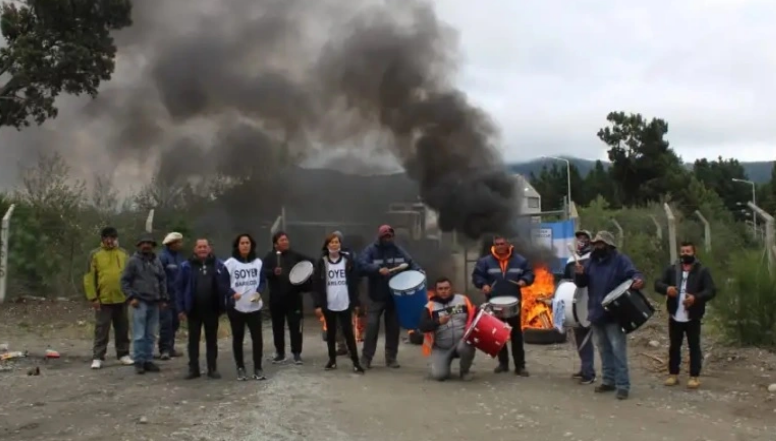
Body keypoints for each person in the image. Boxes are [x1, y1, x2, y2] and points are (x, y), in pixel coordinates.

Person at [573, 231, 644, 400]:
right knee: (604, 349)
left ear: (609, 245)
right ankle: (608, 381)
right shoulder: (591, 262)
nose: (598, 246)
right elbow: (582, 284)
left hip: (615, 313)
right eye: (596, 244)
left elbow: (634, 273)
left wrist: (638, 280)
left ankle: (623, 385)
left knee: (618, 350)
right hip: (596, 312)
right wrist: (580, 274)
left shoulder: (620, 260)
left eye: (601, 244)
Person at [654, 241, 716, 389]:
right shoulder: (672, 269)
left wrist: (695, 298)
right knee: (674, 346)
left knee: (694, 346)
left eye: (688, 251)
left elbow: (710, 290)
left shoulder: (702, 271)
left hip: (693, 315)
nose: (685, 254)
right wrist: (667, 289)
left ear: (694, 252)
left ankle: (694, 376)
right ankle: (673, 374)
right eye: (682, 251)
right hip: (675, 315)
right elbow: (657, 283)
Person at [358, 224, 421, 369]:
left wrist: (419, 270)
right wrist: (377, 269)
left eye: (390, 236)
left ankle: (391, 358)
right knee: (372, 327)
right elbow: (361, 265)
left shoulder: (398, 250)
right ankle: (366, 359)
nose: (388, 239)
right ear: (380, 237)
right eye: (385, 236)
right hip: (376, 296)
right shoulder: (371, 250)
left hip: (394, 297)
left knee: (393, 329)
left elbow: (410, 263)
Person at [472, 235, 534, 376]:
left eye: (502, 243)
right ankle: (503, 363)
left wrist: (525, 280)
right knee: (498, 334)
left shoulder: (520, 261)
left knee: (516, 335)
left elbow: (529, 273)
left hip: (514, 302)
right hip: (494, 303)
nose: (500, 246)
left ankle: (520, 366)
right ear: (494, 245)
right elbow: (477, 276)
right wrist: (483, 284)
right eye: (497, 244)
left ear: (507, 244)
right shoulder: (485, 262)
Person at [176, 238, 230, 379]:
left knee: (212, 340)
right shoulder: (186, 266)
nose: (202, 249)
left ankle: (212, 368)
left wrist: (225, 304)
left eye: (205, 247)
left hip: (212, 309)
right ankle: (193, 369)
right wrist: (180, 309)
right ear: (195, 249)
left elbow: (226, 285)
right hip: (193, 310)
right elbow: (179, 288)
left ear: (209, 248)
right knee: (193, 341)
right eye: (199, 247)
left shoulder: (219, 265)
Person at [312, 233, 365, 373]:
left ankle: (356, 362)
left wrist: (356, 302)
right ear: (327, 245)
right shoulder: (322, 262)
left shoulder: (347, 261)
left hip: (344, 302)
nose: (335, 244)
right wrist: (317, 304)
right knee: (331, 334)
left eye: (337, 242)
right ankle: (332, 360)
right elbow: (316, 285)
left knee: (349, 333)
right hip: (329, 303)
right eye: (332, 242)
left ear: (340, 244)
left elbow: (354, 283)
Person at [83, 226, 134, 369]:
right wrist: (93, 297)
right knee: (102, 329)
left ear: (116, 238)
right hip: (103, 300)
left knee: (122, 328)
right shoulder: (95, 254)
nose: (109, 241)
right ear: (102, 239)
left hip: (122, 298)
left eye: (112, 238)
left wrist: (131, 294)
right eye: (106, 238)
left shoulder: (124, 253)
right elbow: (89, 277)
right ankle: (98, 357)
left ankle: (123, 354)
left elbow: (130, 275)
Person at [120, 234, 168, 375]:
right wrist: (131, 297)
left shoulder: (156, 261)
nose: (146, 245)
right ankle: (139, 361)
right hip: (139, 302)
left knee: (151, 334)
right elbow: (124, 281)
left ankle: (148, 360)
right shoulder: (133, 261)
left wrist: (163, 298)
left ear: (153, 246)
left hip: (154, 302)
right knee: (139, 334)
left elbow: (162, 280)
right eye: (143, 243)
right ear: (139, 245)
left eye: (149, 243)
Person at [263, 231, 313, 365]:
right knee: (277, 327)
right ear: (275, 244)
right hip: (276, 299)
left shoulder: (295, 255)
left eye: (286, 239)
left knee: (295, 326)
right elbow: (263, 272)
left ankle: (297, 353)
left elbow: (311, 262)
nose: (285, 242)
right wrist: (273, 272)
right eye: (282, 240)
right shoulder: (269, 257)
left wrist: (307, 274)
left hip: (294, 298)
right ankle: (280, 353)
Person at [224, 233, 267, 381]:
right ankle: (240, 367)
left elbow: (262, 281)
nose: (245, 245)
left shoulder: (258, 263)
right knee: (238, 337)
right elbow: (223, 283)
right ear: (237, 246)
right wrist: (231, 293)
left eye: (247, 243)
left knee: (257, 339)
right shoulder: (230, 263)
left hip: (254, 306)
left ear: (251, 245)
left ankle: (258, 368)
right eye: (242, 243)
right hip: (236, 307)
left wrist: (259, 292)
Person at [418, 277, 476, 381]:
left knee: (467, 345)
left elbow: (474, 316)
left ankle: (464, 371)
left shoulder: (463, 300)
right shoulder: (430, 306)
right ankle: (443, 365)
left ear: (451, 288)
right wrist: (438, 322)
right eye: (440, 289)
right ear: (436, 290)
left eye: (446, 288)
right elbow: (422, 326)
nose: (444, 291)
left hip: (461, 343)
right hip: (442, 348)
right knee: (439, 376)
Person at [562, 230, 596, 384]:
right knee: (580, 337)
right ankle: (585, 368)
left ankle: (589, 373)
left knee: (586, 338)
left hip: (589, 302)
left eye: (585, 238)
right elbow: (565, 279)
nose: (581, 240)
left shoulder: (593, 258)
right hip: (575, 303)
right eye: (579, 238)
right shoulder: (571, 260)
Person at [158, 232, 184, 360]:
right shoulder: (163, 257)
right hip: (166, 296)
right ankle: (164, 349)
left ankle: (171, 347)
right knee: (166, 324)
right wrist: (162, 296)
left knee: (175, 323)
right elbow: (159, 277)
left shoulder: (179, 257)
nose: (180, 244)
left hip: (176, 297)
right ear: (171, 244)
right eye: (178, 242)